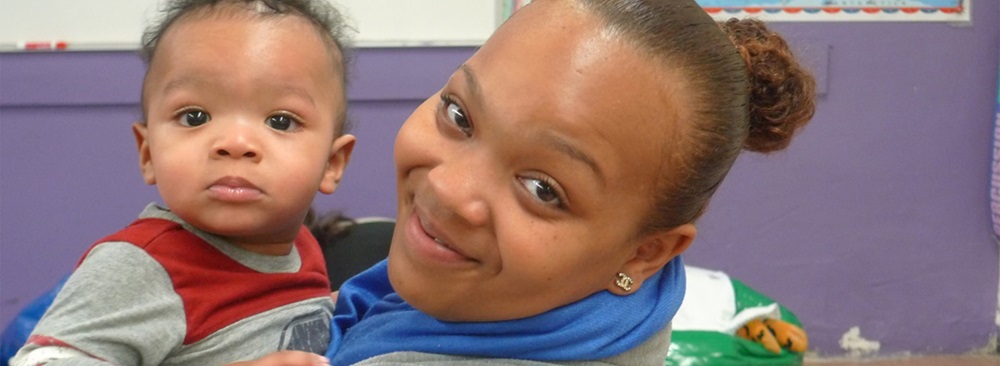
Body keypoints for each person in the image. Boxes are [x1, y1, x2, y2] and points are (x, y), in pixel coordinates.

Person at [326, 0, 815, 365]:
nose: (450, 188)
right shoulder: (616, 312)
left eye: (542, 189)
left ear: (645, 253)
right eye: (459, 114)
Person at [10, 0, 355, 365]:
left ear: (332, 164)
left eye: (280, 121)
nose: (235, 143)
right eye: (195, 117)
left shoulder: (300, 247)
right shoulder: (141, 268)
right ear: (147, 154)